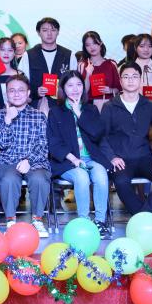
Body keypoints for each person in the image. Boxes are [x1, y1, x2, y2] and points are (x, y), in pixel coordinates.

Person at [99, 63, 152, 215]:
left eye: (134, 76)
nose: (130, 80)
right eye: (126, 77)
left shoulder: (150, 105)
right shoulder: (110, 106)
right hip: (121, 160)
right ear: (120, 81)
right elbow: (101, 136)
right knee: (121, 182)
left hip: (144, 158)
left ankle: (145, 215)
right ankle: (145, 217)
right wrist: (112, 157)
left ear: (140, 80)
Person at [47, 72, 111, 237]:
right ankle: (84, 222)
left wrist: (79, 114)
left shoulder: (91, 109)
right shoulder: (56, 112)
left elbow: (97, 134)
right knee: (82, 177)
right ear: (63, 89)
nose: (75, 89)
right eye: (70, 85)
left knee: (101, 175)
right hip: (67, 161)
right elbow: (53, 142)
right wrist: (73, 159)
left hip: (91, 158)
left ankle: (100, 221)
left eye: (79, 85)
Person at [0, 74, 51, 237]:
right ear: (7, 94)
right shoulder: (0, 115)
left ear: (28, 93)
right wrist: (8, 120)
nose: (16, 94)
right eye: (12, 91)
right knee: (9, 179)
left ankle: (37, 220)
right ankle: (10, 221)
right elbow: (1, 144)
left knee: (39, 179)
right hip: (8, 161)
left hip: (35, 160)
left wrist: (28, 160)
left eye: (21, 90)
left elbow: (43, 144)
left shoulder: (39, 116)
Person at [17, 18, 77, 112]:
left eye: (53, 30)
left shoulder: (69, 55)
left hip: (64, 107)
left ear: (58, 32)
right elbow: (22, 83)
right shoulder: (28, 55)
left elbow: (75, 82)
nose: (49, 33)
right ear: (38, 33)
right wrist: (36, 91)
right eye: (45, 30)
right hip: (36, 108)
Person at [78, 31, 120, 107]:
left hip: (109, 106)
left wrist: (111, 90)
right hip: (89, 107)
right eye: (88, 45)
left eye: (94, 43)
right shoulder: (82, 65)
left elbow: (119, 89)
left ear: (101, 43)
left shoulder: (111, 64)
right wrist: (88, 74)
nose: (92, 47)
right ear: (85, 48)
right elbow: (82, 92)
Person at [126, 33, 152, 99]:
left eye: (150, 46)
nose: (146, 50)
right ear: (135, 48)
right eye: (142, 46)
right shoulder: (127, 69)